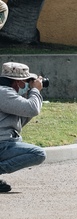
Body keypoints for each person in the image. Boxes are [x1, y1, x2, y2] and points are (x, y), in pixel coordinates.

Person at [0, 62, 47, 192]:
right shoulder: (3, 93)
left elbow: (23, 119)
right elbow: (32, 109)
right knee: (38, 153)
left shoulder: (6, 93)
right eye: (27, 81)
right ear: (18, 82)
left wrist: (30, 96)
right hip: (2, 144)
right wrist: (35, 90)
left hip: (4, 143)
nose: (28, 84)